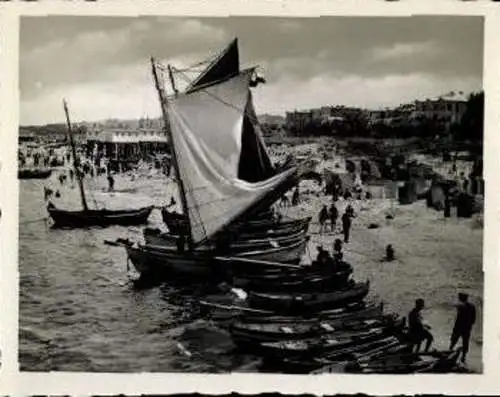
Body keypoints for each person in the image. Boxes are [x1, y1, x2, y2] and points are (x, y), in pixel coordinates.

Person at [449, 292, 476, 363]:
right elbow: (473, 319)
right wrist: (470, 325)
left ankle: (449, 352)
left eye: (459, 297)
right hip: (467, 327)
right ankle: (463, 358)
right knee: (465, 342)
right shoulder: (472, 306)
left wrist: (455, 327)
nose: (458, 298)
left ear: (461, 298)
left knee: (453, 340)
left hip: (459, 326)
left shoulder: (461, 305)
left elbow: (458, 317)